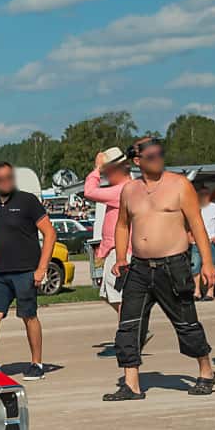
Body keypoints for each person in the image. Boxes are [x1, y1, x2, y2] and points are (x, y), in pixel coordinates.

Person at [106, 136, 215, 400]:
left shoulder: (179, 185)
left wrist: (208, 263)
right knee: (129, 324)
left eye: (160, 153)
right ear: (137, 161)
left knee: (186, 323)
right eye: (152, 156)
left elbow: (197, 225)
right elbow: (122, 225)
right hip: (138, 268)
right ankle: (132, 384)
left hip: (173, 266)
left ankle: (206, 371)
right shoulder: (129, 190)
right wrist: (120, 257)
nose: (158, 159)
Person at [0, 161, 57, 379]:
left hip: (25, 270)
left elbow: (50, 234)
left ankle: (37, 364)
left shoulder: (27, 201)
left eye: (9, 177)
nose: (6, 182)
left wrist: (41, 268)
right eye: (1, 179)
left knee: (28, 316)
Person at [83, 147, 132, 351]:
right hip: (115, 250)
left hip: (120, 251)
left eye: (107, 171)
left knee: (119, 297)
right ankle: (130, 332)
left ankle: (128, 337)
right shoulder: (126, 188)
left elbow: (89, 191)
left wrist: (96, 169)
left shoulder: (122, 190)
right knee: (110, 295)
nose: (105, 175)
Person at [193, 177, 215, 301]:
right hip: (195, 242)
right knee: (195, 267)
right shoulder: (194, 207)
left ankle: (210, 292)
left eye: (206, 194)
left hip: (211, 241)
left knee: (211, 266)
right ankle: (197, 292)